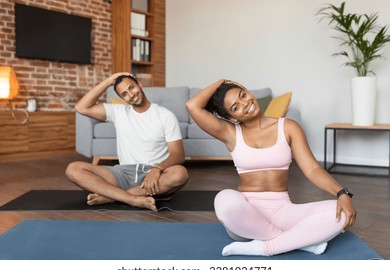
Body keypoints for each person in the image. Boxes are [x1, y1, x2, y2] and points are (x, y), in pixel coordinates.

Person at [185, 79, 356, 256]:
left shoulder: (288, 127)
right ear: (232, 117)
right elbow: (192, 106)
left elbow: (312, 169)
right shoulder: (230, 133)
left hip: (283, 212)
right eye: (235, 107)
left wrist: (342, 193)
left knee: (340, 213)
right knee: (224, 199)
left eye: (243, 95)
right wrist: (221, 81)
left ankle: (265, 247)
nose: (245, 104)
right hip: (244, 218)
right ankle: (295, 242)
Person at [66, 73, 189, 212]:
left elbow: (178, 155)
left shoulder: (165, 115)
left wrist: (157, 169)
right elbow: (81, 107)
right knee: (73, 169)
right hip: (122, 173)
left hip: (154, 175)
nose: (131, 95)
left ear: (139, 85)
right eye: (124, 94)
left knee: (180, 174)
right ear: (122, 98)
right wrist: (108, 81)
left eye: (132, 87)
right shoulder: (118, 111)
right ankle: (132, 199)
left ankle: (112, 196)